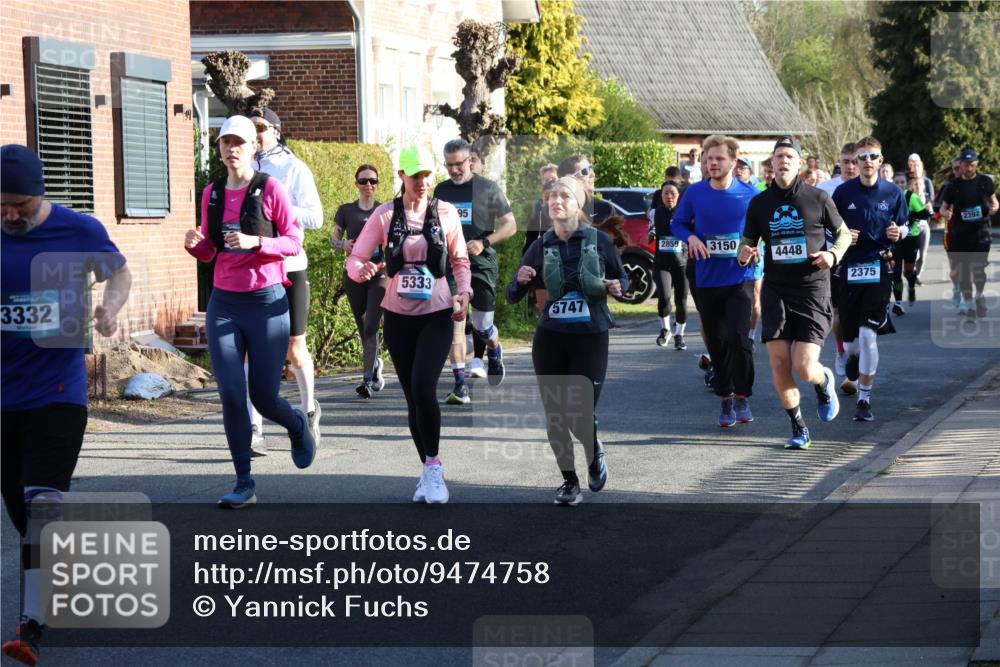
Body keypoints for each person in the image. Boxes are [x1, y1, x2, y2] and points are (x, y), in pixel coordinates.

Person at [1, 145, 132, 666]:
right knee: (20, 510)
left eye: (21, 206)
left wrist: (110, 309)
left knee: (40, 505)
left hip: (58, 391)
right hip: (4, 397)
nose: (11, 215)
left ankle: (29, 628)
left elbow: (119, 273)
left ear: (42, 196)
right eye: (1, 206)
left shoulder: (79, 231)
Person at [185, 115, 316, 508]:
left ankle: (295, 424)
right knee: (230, 393)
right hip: (224, 304)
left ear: (253, 146)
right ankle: (244, 480)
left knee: (263, 397)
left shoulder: (270, 188)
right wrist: (196, 246)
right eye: (225, 141)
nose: (232, 148)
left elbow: (293, 242)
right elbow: (212, 252)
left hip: (267, 302)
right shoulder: (211, 193)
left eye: (239, 141)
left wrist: (255, 241)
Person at [347, 145, 471, 504]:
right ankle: (428, 470)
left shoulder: (445, 213)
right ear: (401, 176)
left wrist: (463, 292)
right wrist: (363, 269)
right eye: (416, 175)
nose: (423, 181)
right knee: (412, 399)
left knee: (423, 388)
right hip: (399, 317)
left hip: (437, 314)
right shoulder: (385, 216)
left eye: (428, 174)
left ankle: (433, 468)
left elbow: (460, 261)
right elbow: (355, 259)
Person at [507, 176, 628, 505]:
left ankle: (593, 454)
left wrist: (618, 288)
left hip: (590, 336)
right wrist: (520, 281)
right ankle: (569, 481)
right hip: (551, 337)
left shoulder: (599, 241)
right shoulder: (540, 245)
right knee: (555, 414)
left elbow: (623, 279)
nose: (556, 201)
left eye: (564, 196)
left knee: (579, 409)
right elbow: (513, 294)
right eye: (551, 196)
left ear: (579, 204)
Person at [739, 137, 851, 449]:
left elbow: (842, 235)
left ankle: (824, 380)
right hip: (776, 290)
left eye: (789, 155)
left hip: (813, 289)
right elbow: (744, 245)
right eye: (778, 156)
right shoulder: (759, 204)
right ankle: (799, 427)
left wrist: (832, 256)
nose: (783, 160)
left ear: (798, 163)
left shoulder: (818, 198)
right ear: (771, 164)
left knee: (804, 366)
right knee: (778, 362)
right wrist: (745, 252)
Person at [246, 108, 324, 455]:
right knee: (252, 352)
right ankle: (254, 430)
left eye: (261, 128)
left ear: (276, 132)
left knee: (294, 349)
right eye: (252, 129)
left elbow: (317, 217)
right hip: (254, 268)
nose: (256, 135)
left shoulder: (294, 169)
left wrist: (280, 209)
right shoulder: (244, 170)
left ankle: (309, 412)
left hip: (290, 266)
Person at [671, 135, 759, 427]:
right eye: (708, 159)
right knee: (718, 341)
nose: (712, 163)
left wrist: (755, 247)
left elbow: (762, 230)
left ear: (734, 162)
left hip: (740, 276)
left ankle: (743, 393)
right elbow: (677, 223)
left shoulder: (750, 194)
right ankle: (725, 398)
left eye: (719, 159)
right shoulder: (695, 194)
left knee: (739, 337)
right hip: (707, 278)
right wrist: (692, 237)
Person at [832, 136, 909, 422]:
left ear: (880, 160)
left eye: (871, 156)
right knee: (852, 343)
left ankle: (864, 399)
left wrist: (898, 234)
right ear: (856, 161)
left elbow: (905, 226)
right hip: (849, 268)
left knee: (868, 335)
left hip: (879, 266)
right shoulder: (842, 193)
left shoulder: (893, 192)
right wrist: (841, 237)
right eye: (861, 157)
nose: (866, 162)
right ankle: (850, 356)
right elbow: (828, 228)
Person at [434, 139, 516, 402]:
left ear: (470, 160)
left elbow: (510, 225)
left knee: (482, 325)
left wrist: (484, 242)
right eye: (449, 165)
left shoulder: (488, 188)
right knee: (455, 320)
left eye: (459, 164)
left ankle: (493, 348)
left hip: (481, 265)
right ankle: (459, 385)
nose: (454, 170)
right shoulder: (441, 190)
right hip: (451, 265)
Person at [333, 164, 386, 398]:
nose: (368, 186)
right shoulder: (346, 210)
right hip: (355, 274)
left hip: (379, 273)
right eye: (363, 181)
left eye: (373, 181)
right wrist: (343, 244)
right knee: (363, 326)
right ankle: (374, 365)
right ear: (356, 183)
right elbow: (334, 239)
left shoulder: (385, 210)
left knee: (372, 323)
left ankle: (367, 380)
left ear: (377, 185)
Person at [818, 142, 860, 395]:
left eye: (855, 161)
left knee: (859, 314)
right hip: (835, 258)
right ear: (839, 163)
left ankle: (856, 353)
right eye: (846, 162)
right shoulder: (825, 189)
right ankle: (843, 352)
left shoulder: (868, 186)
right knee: (838, 313)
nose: (851, 166)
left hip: (863, 259)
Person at [940, 148, 999, 318]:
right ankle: (969, 304)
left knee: (979, 269)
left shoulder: (985, 182)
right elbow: (944, 207)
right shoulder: (954, 186)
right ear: (961, 165)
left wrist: (994, 208)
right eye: (965, 165)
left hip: (981, 234)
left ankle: (979, 295)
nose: (968, 168)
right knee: (964, 272)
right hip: (960, 235)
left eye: (972, 165)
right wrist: (946, 213)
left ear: (976, 164)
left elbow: (994, 202)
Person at [648, 182, 689, 349]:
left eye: (673, 193)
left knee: (682, 299)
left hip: (682, 263)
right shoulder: (654, 213)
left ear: (678, 196)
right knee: (664, 296)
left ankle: (679, 334)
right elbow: (651, 228)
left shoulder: (685, 213)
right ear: (661, 196)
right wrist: (650, 233)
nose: (669, 196)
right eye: (666, 193)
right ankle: (665, 329)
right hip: (662, 262)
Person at [900, 171, 932, 305]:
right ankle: (898, 302)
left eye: (901, 182)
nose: (899, 185)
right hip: (892, 238)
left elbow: (925, 214)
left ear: (906, 184)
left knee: (908, 270)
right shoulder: (885, 195)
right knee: (895, 272)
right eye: (896, 182)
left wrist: (911, 215)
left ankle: (911, 286)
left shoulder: (911, 197)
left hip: (911, 236)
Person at [557, 155, 614, 224]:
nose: (593, 174)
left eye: (591, 168)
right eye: (585, 171)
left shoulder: (604, 208)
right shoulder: (555, 209)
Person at [523, 163, 558, 256]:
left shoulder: (567, 205)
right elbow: (530, 237)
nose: (550, 182)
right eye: (546, 180)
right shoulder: (537, 207)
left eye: (553, 179)